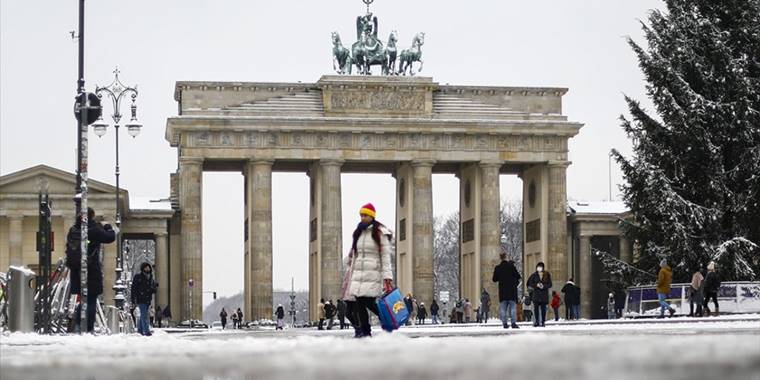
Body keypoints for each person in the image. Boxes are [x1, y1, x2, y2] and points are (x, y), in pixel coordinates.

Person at [342, 203, 394, 338]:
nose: (362, 218)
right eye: (361, 215)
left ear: (372, 216)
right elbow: (354, 255)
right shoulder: (358, 233)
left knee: (368, 302)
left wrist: (387, 277)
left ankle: (386, 319)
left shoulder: (379, 233)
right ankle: (366, 332)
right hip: (358, 274)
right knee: (359, 304)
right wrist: (350, 272)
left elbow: (385, 256)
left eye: (365, 215)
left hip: (372, 273)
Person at [66, 207, 117, 333]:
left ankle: (77, 325)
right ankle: (87, 328)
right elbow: (110, 237)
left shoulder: (73, 230)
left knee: (83, 300)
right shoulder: (93, 230)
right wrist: (107, 227)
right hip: (91, 269)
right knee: (91, 299)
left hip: (76, 270)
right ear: (91, 216)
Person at [492, 252, 521, 329]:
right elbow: (518, 276)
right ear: (506, 257)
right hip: (512, 291)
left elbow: (494, 279)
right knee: (513, 308)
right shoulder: (511, 266)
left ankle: (504, 323)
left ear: (500, 258)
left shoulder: (498, 268)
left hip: (503, 292)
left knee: (503, 309)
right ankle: (513, 323)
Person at [131, 262, 157, 336]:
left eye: (148, 267)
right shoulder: (138, 277)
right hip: (141, 299)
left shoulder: (151, 278)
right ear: (143, 268)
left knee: (144, 314)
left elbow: (151, 289)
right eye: (146, 267)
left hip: (148, 299)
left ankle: (140, 330)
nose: (147, 269)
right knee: (144, 315)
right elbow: (134, 289)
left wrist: (154, 288)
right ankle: (146, 331)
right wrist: (133, 299)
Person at [526, 262, 552, 327]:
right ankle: (537, 321)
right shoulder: (534, 275)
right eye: (538, 266)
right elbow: (530, 283)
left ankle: (543, 322)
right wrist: (536, 285)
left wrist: (543, 286)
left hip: (543, 295)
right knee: (536, 309)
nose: (539, 268)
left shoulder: (547, 274)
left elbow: (550, 284)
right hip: (536, 295)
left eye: (540, 267)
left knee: (543, 309)